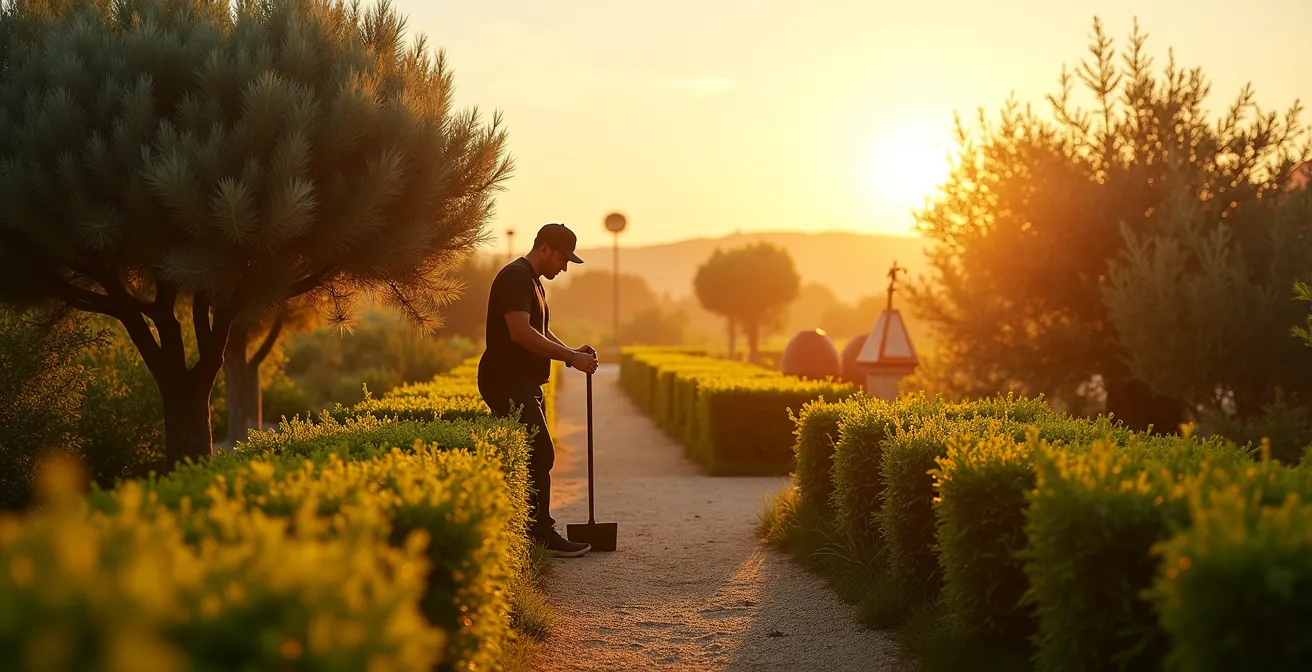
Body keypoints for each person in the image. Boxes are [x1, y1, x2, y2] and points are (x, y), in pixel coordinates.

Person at [478, 222, 600, 558]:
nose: (564, 267)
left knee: (536, 453)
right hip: (505, 380)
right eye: (563, 259)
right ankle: (540, 535)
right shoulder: (515, 277)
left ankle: (529, 531)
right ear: (544, 248)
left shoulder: (532, 282)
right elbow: (521, 333)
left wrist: (572, 353)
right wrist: (570, 358)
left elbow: (540, 330)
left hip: (523, 381)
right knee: (541, 453)